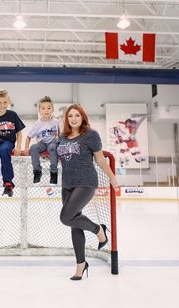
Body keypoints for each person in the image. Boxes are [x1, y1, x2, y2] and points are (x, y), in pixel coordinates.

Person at [57, 104, 119, 281]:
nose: (74, 119)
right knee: (74, 222)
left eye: (77, 115)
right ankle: (80, 265)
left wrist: (112, 178)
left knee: (65, 217)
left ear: (82, 117)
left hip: (86, 182)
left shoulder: (91, 135)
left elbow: (100, 159)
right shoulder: (62, 137)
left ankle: (99, 230)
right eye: (70, 116)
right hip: (67, 183)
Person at [24, 96, 60, 184]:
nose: (46, 110)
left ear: (52, 110)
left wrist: (61, 145)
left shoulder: (56, 122)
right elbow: (29, 137)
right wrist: (26, 147)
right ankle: (37, 171)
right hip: (42, 143)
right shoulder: (37, 124)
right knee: (33, 147)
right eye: (43, 108)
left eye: (48, 108)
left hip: (53, 143)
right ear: (39, 111)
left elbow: (60, 134)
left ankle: (54, 172)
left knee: (52, 147)